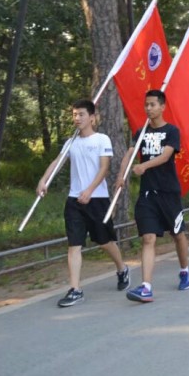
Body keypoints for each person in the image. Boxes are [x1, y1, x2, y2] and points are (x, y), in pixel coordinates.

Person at [37, 100, 129, 307]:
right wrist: (44, 180)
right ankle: (75, 289)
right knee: (74, 245)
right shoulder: (71, 142)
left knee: (105, 241)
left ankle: (122, 268)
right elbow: (57, 162)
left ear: (92, 117)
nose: (76, 118)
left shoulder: (101, 139)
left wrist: (89, 190)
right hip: (74, 200)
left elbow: (104, 168)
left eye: (81, 114)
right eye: (74, 114)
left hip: (96, 199)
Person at [116, 90, 189, 303]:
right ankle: (146, 287)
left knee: (178, 235)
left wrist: (144, 166)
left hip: (169, 192)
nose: (148, 108)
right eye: (146, 105)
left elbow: (166, 156)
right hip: (148, 194)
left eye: (152, 105)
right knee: (148, 238)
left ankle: (184, 270)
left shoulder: (171, 131)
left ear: (162, 107)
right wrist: (121, 176)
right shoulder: (141, 132)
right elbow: (129, 155)